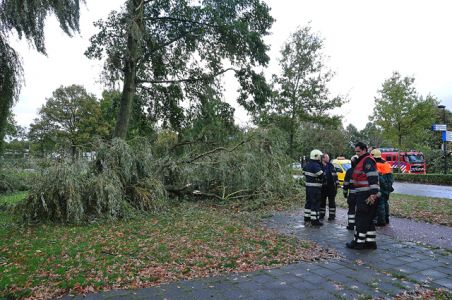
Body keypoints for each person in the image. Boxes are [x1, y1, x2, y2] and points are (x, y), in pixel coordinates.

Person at [346, 142, 380, 250]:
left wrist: (373, 194)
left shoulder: (367, 160)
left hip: (366, 195)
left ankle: (358, 243)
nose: (357, 154)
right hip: (364, 194)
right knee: (368, 219)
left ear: (365, 150)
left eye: (359, 151)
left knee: (361, 219)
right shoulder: (363, 160)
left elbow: (372, 177)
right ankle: (370, 243)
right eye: (356, 152)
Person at [370, 149, 394, 226]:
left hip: (382, 186)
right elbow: (391, 177)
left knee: (380, 204)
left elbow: (379, 178)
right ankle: (386, 219)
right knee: (385, 202)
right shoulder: (386, 164)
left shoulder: (376, 165)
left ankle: (381, 221)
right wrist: (389, 186)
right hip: (388, 186)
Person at [303, 149, 324, 226]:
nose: (321, 158)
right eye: (320, 156)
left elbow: (304, 172)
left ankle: (307, 218)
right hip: (315, 188)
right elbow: (322, 175)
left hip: (308, 188)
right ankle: (315, 221)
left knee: (308, 203)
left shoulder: (308, 164)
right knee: (315, 204)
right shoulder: (316, 165)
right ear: (316, 156)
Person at [320, 153, 339, 220]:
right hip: (323, 187)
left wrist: (336, 185)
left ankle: (332, 216)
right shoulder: (319, 166)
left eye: (328, 157)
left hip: (331, 187)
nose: (328, 158)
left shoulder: (331, 165)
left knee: (332, 202)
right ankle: (321, 214)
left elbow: (335, 176)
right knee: (322, 201)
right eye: (327, 157)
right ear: (323, 158)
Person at [343, 155, 358, 230]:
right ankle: (359, 225)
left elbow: (345, 184)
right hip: (362, 195)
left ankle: (351, 225)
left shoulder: (349, 171)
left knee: (351, 210)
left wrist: (345, 193)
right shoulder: (363, 170)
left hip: (352, 195)